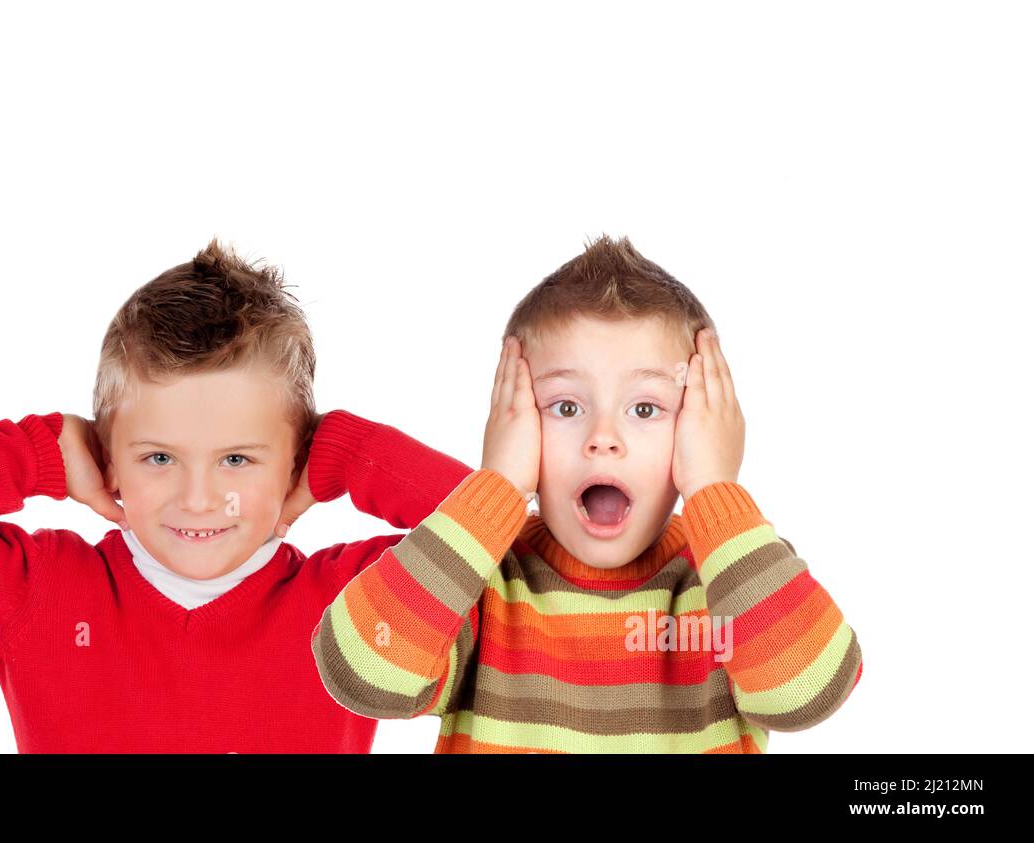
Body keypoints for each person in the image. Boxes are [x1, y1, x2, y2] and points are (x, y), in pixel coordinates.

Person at [0, 239, 472, 753]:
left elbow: (511, 555)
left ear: (294, 462)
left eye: (236, 459)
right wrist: (35, 453)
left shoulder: (353, 602)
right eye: (159, 457)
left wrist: (346, 454)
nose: (196, 498)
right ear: (107, 459)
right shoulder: (37, 590)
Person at [311, 235, 863, 752]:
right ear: (516, 423)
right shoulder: (477, 582)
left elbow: (804, 694)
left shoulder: (734, 579)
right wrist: (497, 486)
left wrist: (714, 489)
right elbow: (364, 674)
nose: (603, 440)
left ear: (700, 426)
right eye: (566, 407)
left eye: (645, 409)